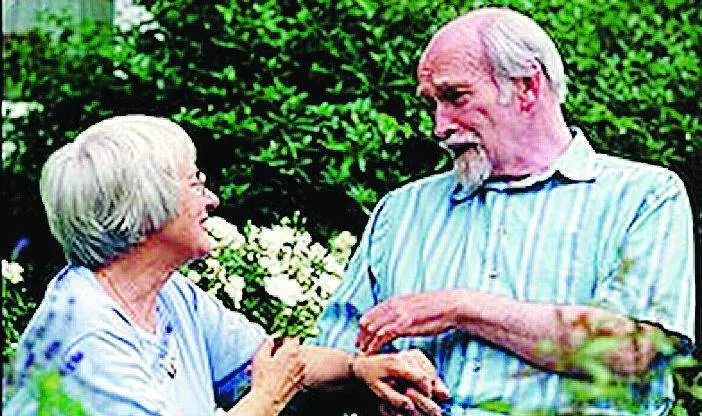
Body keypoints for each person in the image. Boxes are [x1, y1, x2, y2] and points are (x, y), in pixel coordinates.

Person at [308, 7, 695, 415]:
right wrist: (366, 373)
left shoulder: (643, 196)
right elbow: (330, 350)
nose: (440, 126)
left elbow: (635, 351)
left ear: (527, 87)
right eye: (433, 104)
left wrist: (460, 308)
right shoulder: (401, 211)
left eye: (455, 97)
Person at [3, 115, 449, 415]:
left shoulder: (169, 296)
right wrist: (267, 399)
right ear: (147, 208)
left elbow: (270, 360)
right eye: (196, 184)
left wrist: (359, 368)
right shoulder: (87, 335)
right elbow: (270, 382)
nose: (212, 199)